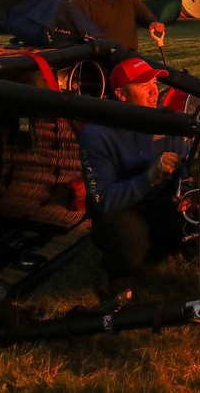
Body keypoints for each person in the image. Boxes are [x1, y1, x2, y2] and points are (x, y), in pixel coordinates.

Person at [78, 57, 189, 293]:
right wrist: (148, 178)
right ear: (121, 94)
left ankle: (167, 246)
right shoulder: (96, 133)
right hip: (123, 208)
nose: (153, 91)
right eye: (142, 85)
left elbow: (186, 162)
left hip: (162, 201)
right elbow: (103, 199)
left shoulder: (166, 118)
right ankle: (117, 273)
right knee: (129, 244)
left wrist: (189, 189)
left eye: (154, 82)